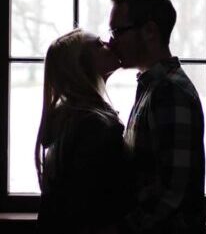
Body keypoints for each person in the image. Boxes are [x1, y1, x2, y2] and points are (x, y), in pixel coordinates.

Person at [107, 0, 206, 234]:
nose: (111, 40)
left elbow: (171, 195)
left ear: (150, 31)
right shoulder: (152, 87)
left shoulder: (169, 92)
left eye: (118, 31)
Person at [35, 28, 135, 234]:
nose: (110, 43)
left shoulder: (71, 120)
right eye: (99, 44)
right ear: (81, 66)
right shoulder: (95, 126)